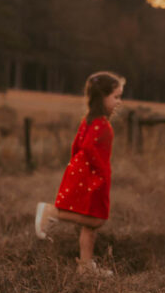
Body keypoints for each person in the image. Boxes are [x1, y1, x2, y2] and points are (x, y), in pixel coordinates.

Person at [35, 70, 124, 276]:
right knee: (96, 220)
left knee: (89, 226)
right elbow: (89, 148)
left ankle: (85, 267)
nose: (119, 102)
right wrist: (101, 173)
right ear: (102, 97)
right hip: (94, 175)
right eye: (116, 97)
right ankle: (51, 212)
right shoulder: (102, 125)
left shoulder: (89, 120)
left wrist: (75, 167)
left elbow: (76, 145)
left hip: (81, 170)